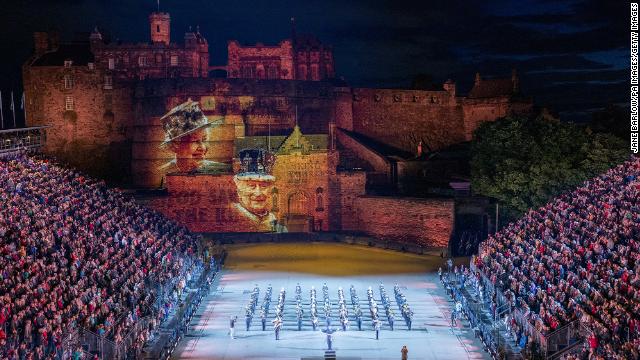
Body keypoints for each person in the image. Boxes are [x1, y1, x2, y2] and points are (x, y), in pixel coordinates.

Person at [158, 99, 229, 174]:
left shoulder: (221, 172)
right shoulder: (161, 175)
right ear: (175, 144)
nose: (203, 148)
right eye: (195, 141)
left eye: (204, 140)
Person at [230, 149, 287, 232]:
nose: (258, 193)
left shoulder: (279, 228)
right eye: (251, 186)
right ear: (239, 190)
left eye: (263, 186)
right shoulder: (229, 222)